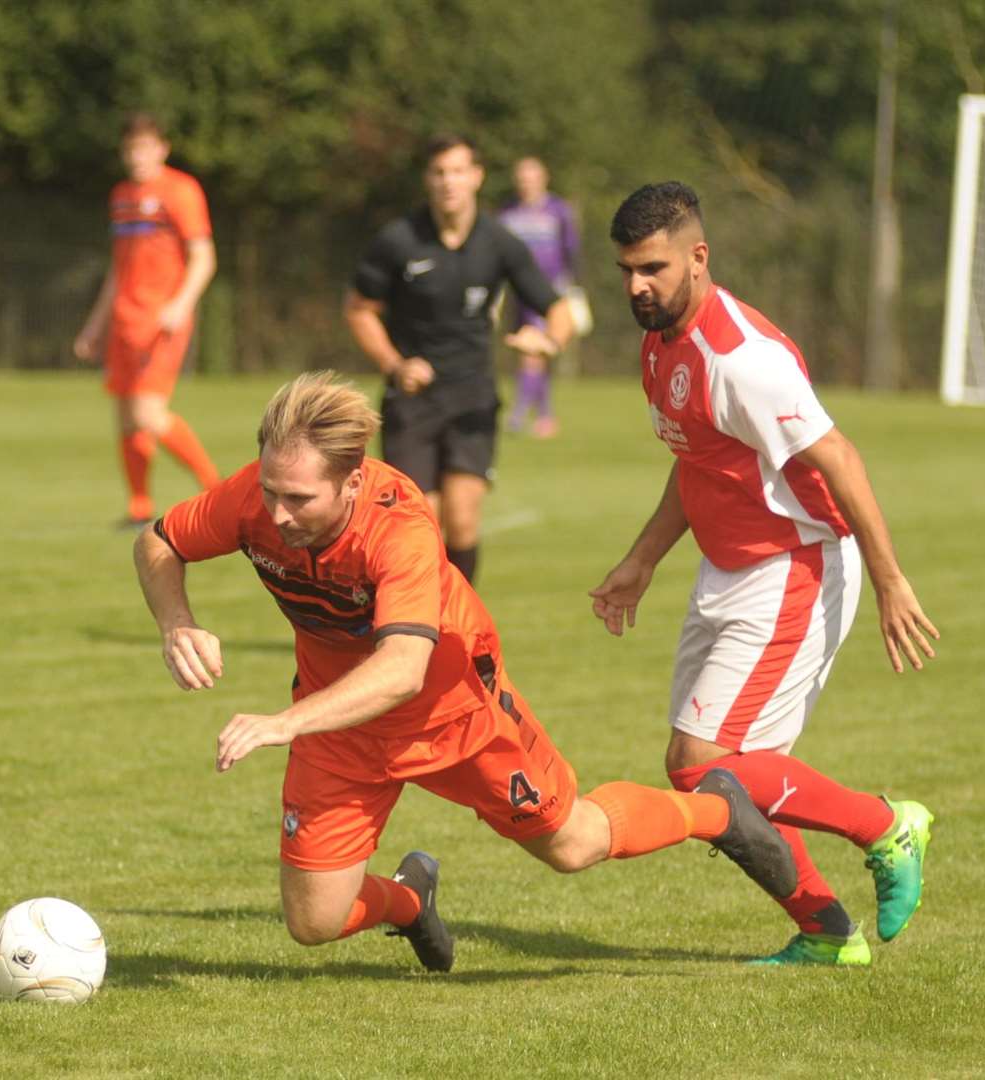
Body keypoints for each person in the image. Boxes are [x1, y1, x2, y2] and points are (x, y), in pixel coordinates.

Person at [134, 371, 797, 972]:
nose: (277, 516)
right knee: (313, 922)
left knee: (573, 845)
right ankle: (410, 903)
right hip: (342, 724)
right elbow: (160, 540)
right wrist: (177, 624)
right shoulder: (254, 497)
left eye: (299, 500)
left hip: (455, 714)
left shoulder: (400, 532)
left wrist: (284, 723)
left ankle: (713, 810)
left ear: (354, 481)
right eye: (271, 491)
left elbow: (402, 670)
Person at [590, 182, 942, 967]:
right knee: (721, 780)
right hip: (729, 569)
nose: (634, 286)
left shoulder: (741, 360)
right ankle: (824, 933)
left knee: (704, 764)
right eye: (624, 270)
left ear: (697, 257)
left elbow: (840, 459)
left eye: (650, 268)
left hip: (795, 566)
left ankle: (887, 826)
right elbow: (698, 465)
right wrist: (641, 560)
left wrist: (890, 582)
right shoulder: (659, 345)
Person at [344, 134, 573, 585]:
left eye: (458, 171)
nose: (449, 181)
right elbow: (358, 310)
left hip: (473, 397)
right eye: (439, 172)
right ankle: (416, 622)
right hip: (412, 400)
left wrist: (548, 342)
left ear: (476, 176)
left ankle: (458, 625)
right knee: (420, 523)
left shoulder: (499, 242)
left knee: (463, 518)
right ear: (427, 180)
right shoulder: (398, 240)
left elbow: (558, 309)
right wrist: (395, 365)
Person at [74, 112, 220, 528]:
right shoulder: (121, 196)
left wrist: (180, 303)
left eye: (145, 147)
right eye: (130, 149)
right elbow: (118, 270)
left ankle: (215, 487)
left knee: (148, 414)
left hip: (161, 321)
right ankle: (139, 507)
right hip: (125, 320)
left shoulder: (181, 190)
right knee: (124, 415)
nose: (137, 156)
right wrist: (95, 325)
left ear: (162, 148)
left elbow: (204, 258)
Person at [497, 156, 581, 439]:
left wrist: (570, 288)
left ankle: (519, 415)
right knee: (534, 353)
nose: (526, 183)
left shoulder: (558, 210)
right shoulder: (507, 213)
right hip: (517, 293)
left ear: (544, 178)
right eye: (521, 178)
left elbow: (570, 249)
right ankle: (545, 416)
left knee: (533, 353)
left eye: (531, 178)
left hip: (549, 293)